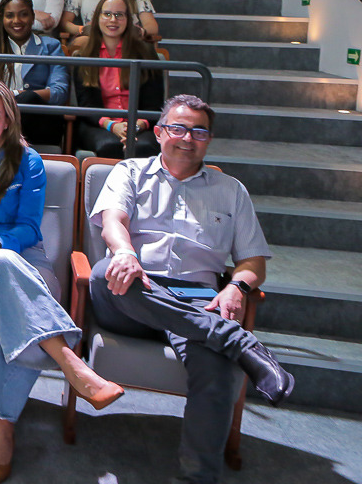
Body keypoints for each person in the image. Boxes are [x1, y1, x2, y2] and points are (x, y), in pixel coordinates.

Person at [89, 94, 294, 484]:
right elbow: (113, 220)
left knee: (216, 368)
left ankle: (197, 478)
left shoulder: (230, 190)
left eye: (199, 131)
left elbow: (254, 262)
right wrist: (126, 252)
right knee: (104, 274)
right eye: (178, 128)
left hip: (198, 302)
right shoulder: (131, 171)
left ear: (209, 139)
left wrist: (237, 287)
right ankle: (236, 340)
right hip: (133, 295)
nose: (187, 137)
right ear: (161, 131)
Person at [0, 77, 124, 483]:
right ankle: (70, 363)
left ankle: (2, 429)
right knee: (0, 270)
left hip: (29, 266)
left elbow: (28, 228)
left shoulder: (28, 161)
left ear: (8, 120)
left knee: (6, 277)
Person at [0, 0, 69, 147]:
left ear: (33, 18)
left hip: (38, 123)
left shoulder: (51, 46)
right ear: (2, 19)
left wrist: (16, 95)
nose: (17, 21)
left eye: (23, 15)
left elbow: (59, 92)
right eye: (10, 16)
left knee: (29, 99)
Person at [72, 0, 162, 158]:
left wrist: (134, 126)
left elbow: (154, 105)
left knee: (143, 147)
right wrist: (113, 126)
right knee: (109, 146)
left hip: (140, 125)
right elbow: (86, 106)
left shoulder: (145, 52)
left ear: (128, 20)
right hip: (99, 125)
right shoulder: (83, 56)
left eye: (119, 15)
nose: (113, 20)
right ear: (97, 18)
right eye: (107, 14)